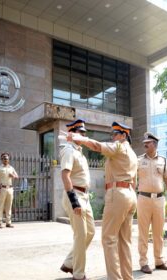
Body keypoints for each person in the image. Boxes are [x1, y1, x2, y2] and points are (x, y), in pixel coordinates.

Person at [67, 121, 137, 280]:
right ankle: (127, 277)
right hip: (130, 195)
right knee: (124, 242)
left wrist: (80, 138)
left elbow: (98, 146)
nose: (112, 137)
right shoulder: (132, 153)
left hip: (118, 194)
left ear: (124, 135)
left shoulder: (120, 147)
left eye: (115, 134)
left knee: (109, 239)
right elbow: (135, 181)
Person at [60, 119, 95, 280]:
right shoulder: (68, 150)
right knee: (80, 236)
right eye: (80, 132)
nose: (83, 135)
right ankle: (78, 274)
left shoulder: (79, 151)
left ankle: (69, 262)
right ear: (72, 134)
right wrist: (73, 201)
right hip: (74, 195)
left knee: (90, 232)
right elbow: (65, 175)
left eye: (84, 133)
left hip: (85, 196)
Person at [137, 132, 167, 274]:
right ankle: (143, 262)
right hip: (143, 199)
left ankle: (159, 261)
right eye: (144, 142)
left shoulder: (163, 160)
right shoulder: (139, 160)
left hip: (159, 199)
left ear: (154, 144)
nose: (145, 144)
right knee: (143, 232)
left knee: (159, 232)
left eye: (148, 142)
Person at [0, 152, 18, 228]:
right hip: (2, 188)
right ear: (1, 159)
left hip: (10, 189)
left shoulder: (11, 168)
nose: (5, 159)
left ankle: (8, 222)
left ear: (9, 159)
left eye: (7, 158)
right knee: (0, 206)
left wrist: (13, 175)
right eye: (4, 158)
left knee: (9, 206)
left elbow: (17, 176)